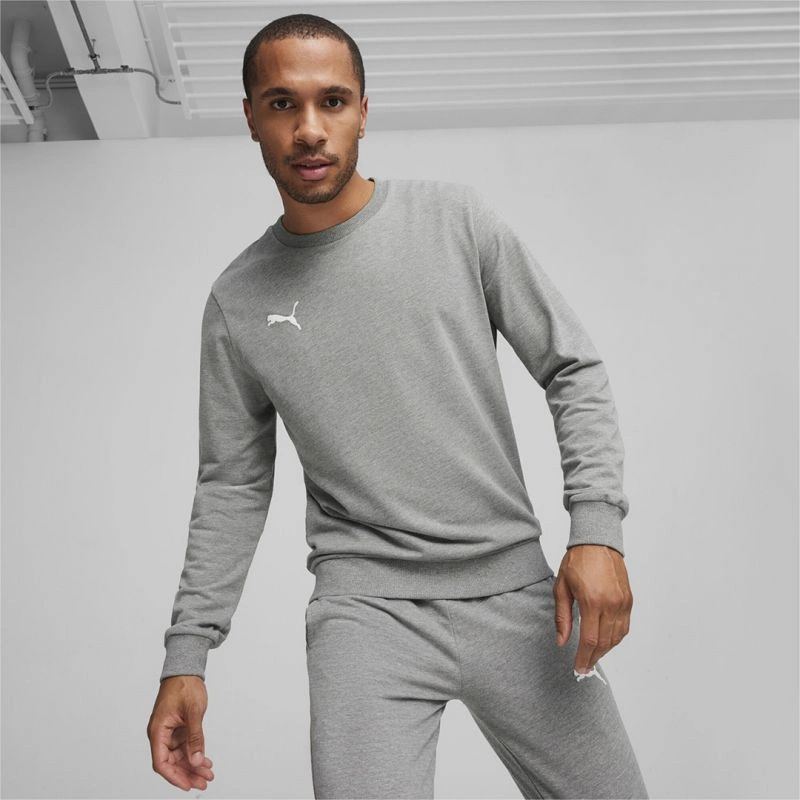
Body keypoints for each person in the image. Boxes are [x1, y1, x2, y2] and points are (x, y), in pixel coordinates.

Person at [146, 13, 649, 800]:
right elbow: (232, 485)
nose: (309, 129)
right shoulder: (237, 301)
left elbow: (570, 366)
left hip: (517, 596)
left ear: (363, 111)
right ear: (249, 116)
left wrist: (598, 533)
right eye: (281, 104)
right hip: (365, 618)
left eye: (332, 101)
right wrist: (187, 654)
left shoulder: (455, 221)